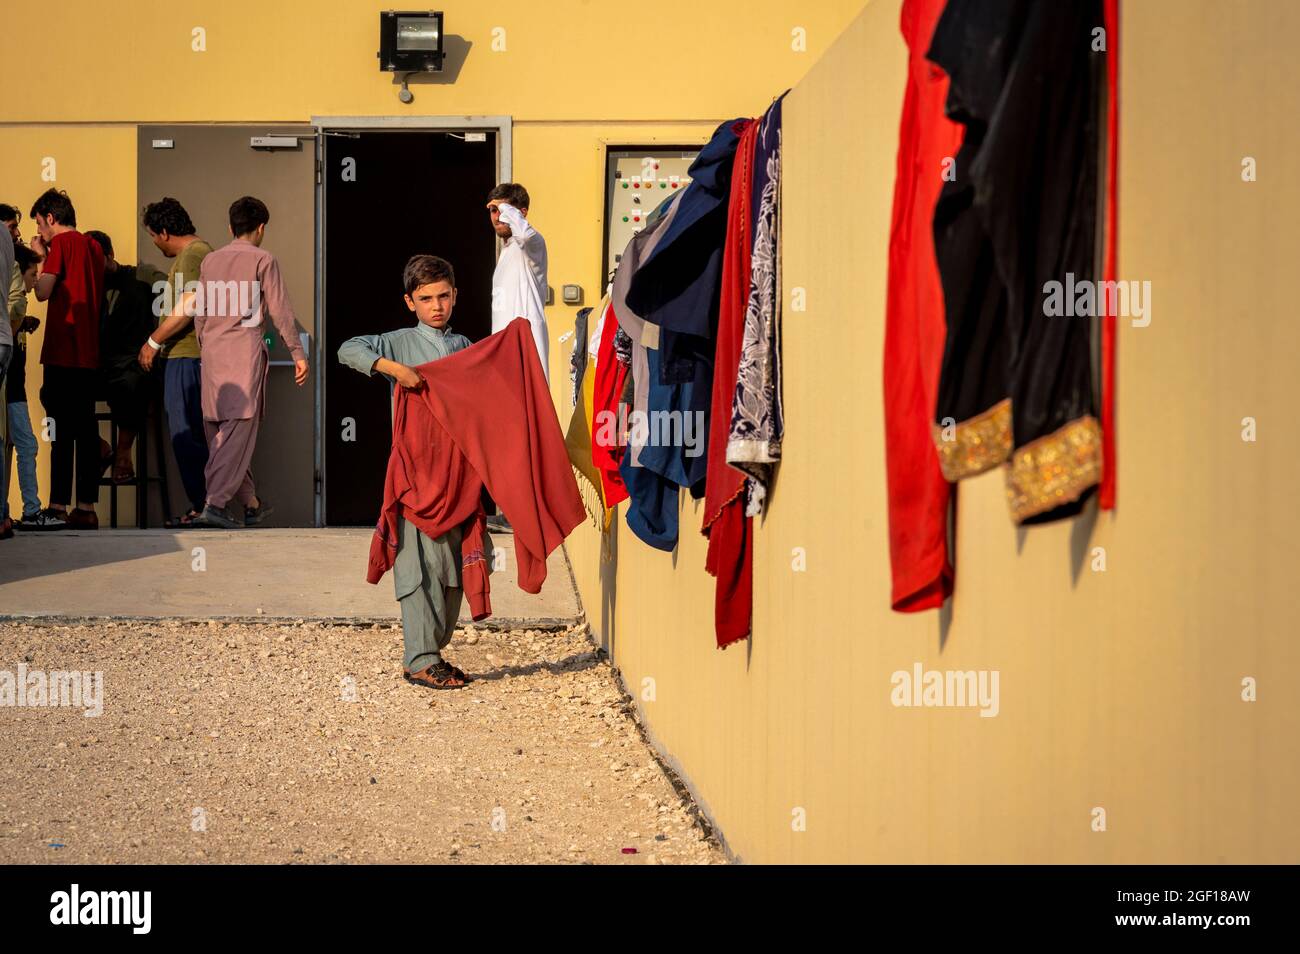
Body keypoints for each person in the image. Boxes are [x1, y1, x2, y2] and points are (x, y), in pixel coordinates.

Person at [337, 254, 475, 690]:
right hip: (416, 473)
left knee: (454, 569)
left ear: (455, 296)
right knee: (420, 564)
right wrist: (393, 369)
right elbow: (348, 349)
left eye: (443, 296)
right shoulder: (397, 341)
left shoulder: (466, 347)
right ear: (409, 302)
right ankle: (418, 657)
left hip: (457, 472)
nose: (436, 306)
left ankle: (432, 651)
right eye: (425, 298)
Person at [182, 196, 308, 528]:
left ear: (230, 227)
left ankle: (251, 504)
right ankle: (215, 505)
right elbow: (280, 310)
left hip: (213, 353)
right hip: (243, 352)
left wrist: (205, 346)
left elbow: (201, 313)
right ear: (261, 227)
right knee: (239, 429)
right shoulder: (263, 260)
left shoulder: (210, 261)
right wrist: (297, 353)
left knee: (221, 433)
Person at [29, 188, 106, 530]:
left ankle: (58, 504)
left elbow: (43, 291)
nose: (40, 231)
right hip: (89, 352)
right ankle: (86, 506)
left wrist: (39, 256)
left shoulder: (60, 245)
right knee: (86, 430)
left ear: (50, 218)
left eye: (40, 224)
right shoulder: (92, 246)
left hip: (63, 350)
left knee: (60, 431)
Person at [137, 197, 212, 527]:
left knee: (186, 433)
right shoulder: (193, 255)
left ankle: (203, 506)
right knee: (191, 432)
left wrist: (154, 340)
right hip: (183, 358)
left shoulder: (195, 255)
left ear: (164, 231)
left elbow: (191, 302)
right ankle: (205, 505)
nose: (154, 243)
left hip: (186, 358)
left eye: (153, 236)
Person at [486, 182, 548, 533]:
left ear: (521, 212)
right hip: (505, 356)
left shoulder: (531, 245)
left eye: (502, 210)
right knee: (510, 434)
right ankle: (513, 511)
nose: (496, 217)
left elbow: (526, 235)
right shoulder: (508, 253)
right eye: (492, 211)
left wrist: (509, 210)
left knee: (525, 433)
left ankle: (524, 514)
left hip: (525, 355)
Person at [85, 231, 165, 483]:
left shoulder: (140, 275)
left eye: (99, 261)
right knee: (55, 390)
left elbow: (172, 290)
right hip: (99, 366)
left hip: (133, 364)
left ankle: (123, 453)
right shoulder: (87, 285)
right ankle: (98, 444)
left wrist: (155, 340)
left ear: (110, 256)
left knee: (131, 384)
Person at [6, 244, 49, 530]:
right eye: (33, 274)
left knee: (13, 448)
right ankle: (32, 510)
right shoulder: (16, 302)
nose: (37, 280)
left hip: (13, 389)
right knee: (27, 445)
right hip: (11, 390)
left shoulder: (19, 307)